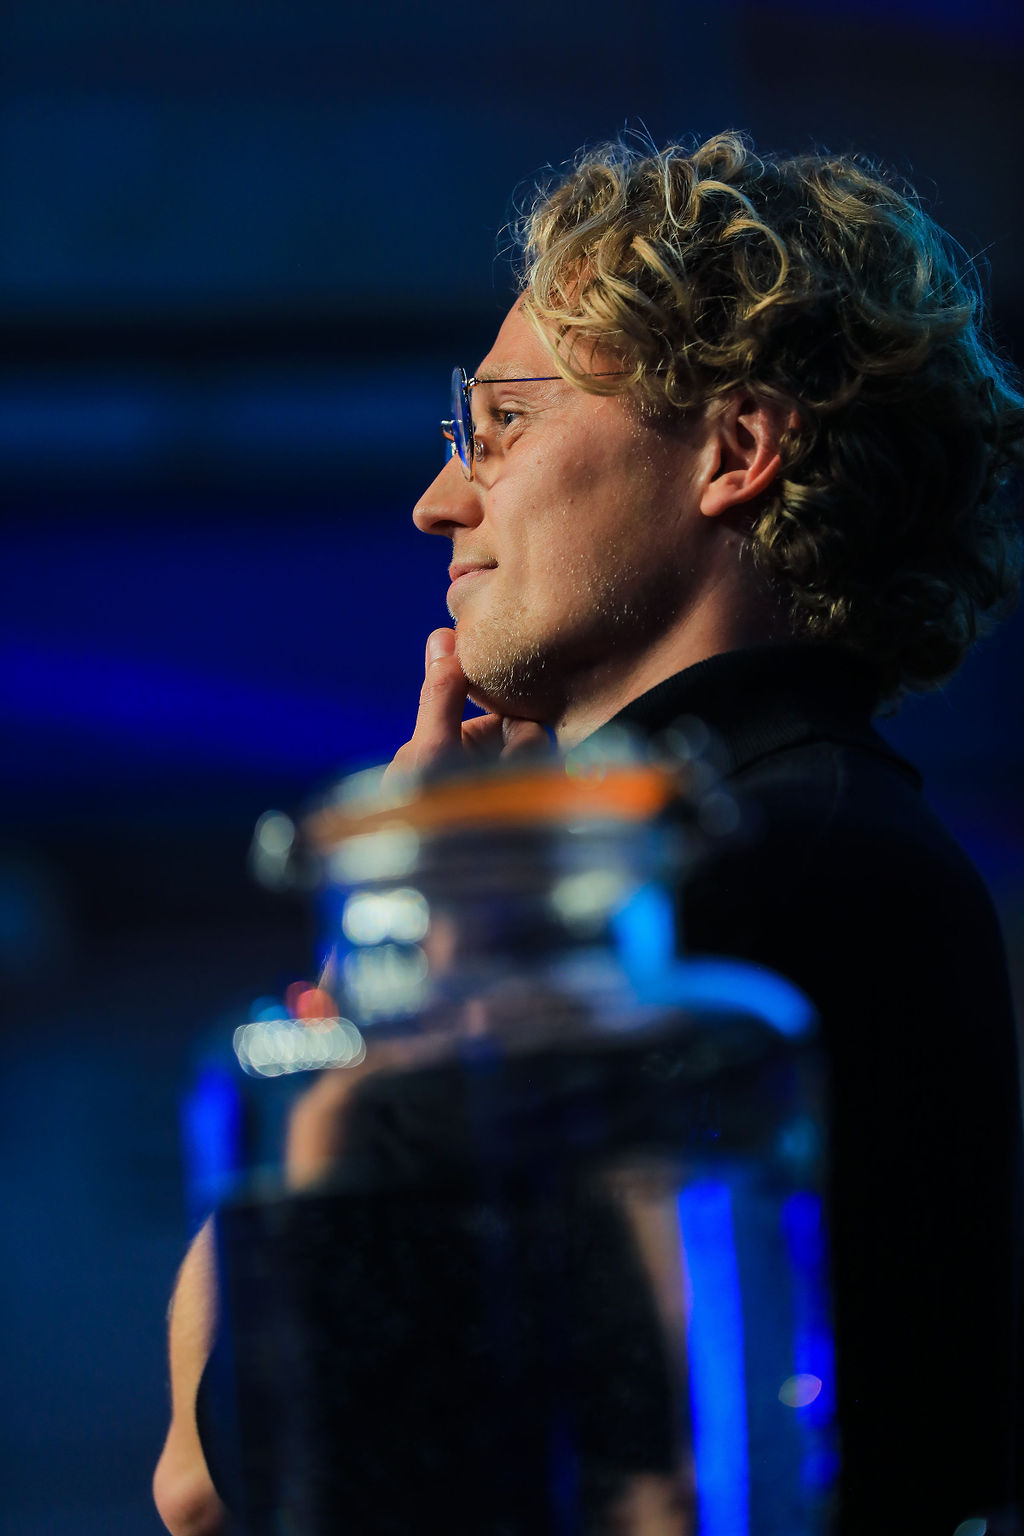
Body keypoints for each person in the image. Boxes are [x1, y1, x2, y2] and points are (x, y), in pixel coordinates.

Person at [154, 131, 1024, 1535]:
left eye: (501, 422)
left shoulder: (723, 893)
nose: (442, 499)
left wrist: (399, 944)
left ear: (735, 450)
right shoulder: (837, 844)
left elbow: (219, 1472)